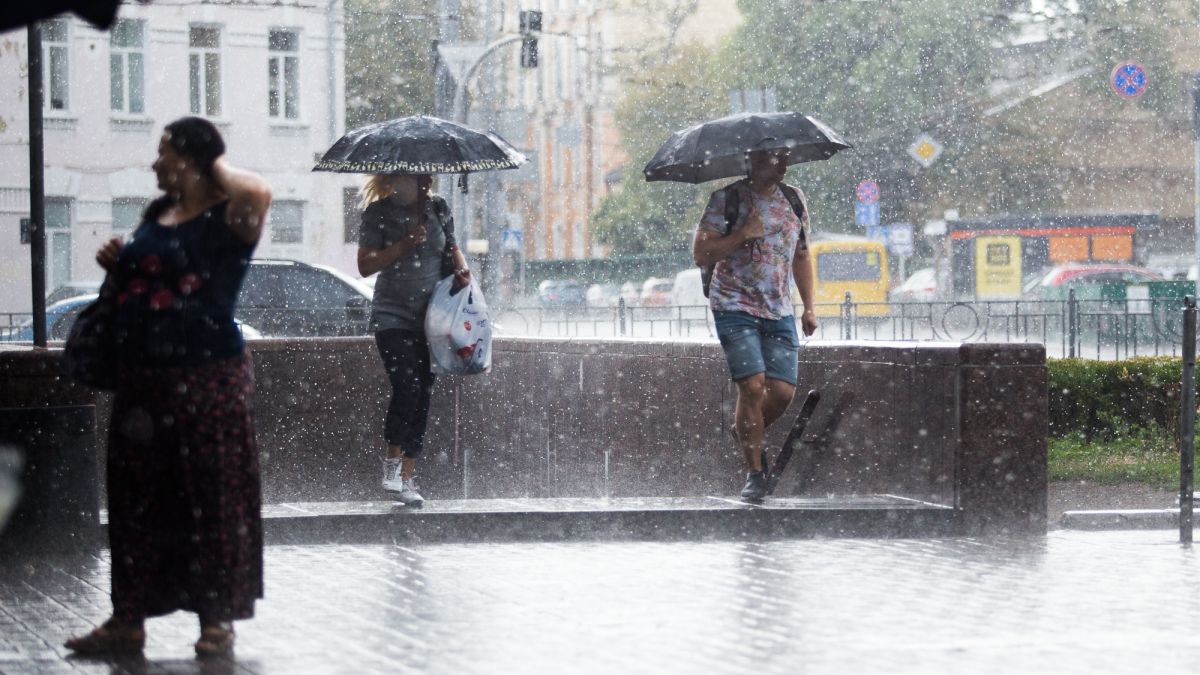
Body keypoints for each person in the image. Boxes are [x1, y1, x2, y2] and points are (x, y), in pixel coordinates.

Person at [64, 117, 271, 657]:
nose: (155, 164)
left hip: (206, 379)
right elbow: (150, 272)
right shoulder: (157, 212)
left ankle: (216, 621)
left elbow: (258, 189)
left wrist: (209, 157)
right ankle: (127, 620)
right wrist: (120, 259)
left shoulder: (230, 216)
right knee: (137, 501)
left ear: (193, 160)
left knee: (208, 497)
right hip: (143, 381)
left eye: (165, 153)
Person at [691, 147, 818, 502]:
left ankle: (747, 432)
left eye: (786, 156)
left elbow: (802, 255)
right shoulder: (726, 199)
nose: (785, 163)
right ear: (755, 161)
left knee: (781, 393)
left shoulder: (795, 199)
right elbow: (700, 254)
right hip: (733, 304)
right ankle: (754, 473)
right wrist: (741, 234)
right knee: (751, 386)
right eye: (776, 157)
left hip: (779, 309)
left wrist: (809, 307)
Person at [357, 174, 470, 507]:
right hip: (392, 316)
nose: (425, 184)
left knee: (423, 392)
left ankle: (407, 477)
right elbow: (364, 265)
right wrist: (404, 245)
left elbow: (452, 249)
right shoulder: (378, 213)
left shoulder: (439, 209)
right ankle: (391, 464)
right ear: (398, 179)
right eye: (417, 178)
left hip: (431, 319)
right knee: (407, 386)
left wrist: (463, 271)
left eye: (428, 178)